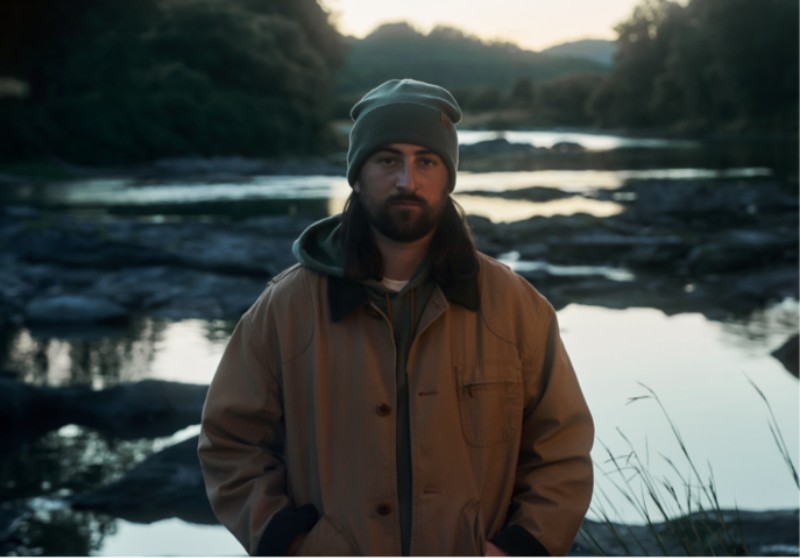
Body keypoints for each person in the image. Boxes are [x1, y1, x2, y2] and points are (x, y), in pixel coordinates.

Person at [198, 78, 594, 556]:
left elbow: (562, 449)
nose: (408, 181)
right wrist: (289, 539)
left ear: (447, 177)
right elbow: (230, 441)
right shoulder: (286, 308)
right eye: (387, 160)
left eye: (426, 161)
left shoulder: (514, 307)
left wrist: (522, 546)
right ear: (358, 174)